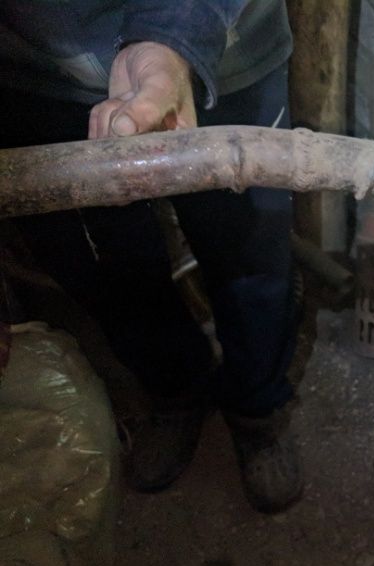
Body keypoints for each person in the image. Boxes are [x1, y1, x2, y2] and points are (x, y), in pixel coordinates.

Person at [0, 1, 305, 513]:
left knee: (251, 257)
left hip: (225, 50)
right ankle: (176, 391)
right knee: (108, 271)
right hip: (38, 75)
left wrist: (174, 37)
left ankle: (258, 408)